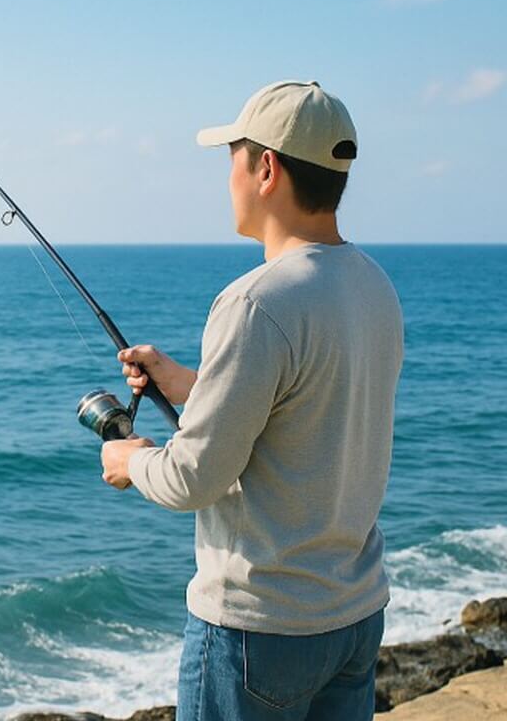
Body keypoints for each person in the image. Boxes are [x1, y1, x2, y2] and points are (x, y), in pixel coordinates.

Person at [100, 80, 404, 721]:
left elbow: (193, 478)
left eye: (232, 156)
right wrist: (188, 383)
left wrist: (131, 461)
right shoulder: (373, 286)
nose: (228, 176)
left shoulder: (256, 301)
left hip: (257, 632)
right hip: (351, 618)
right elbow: (308, 407)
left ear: (265, 167)